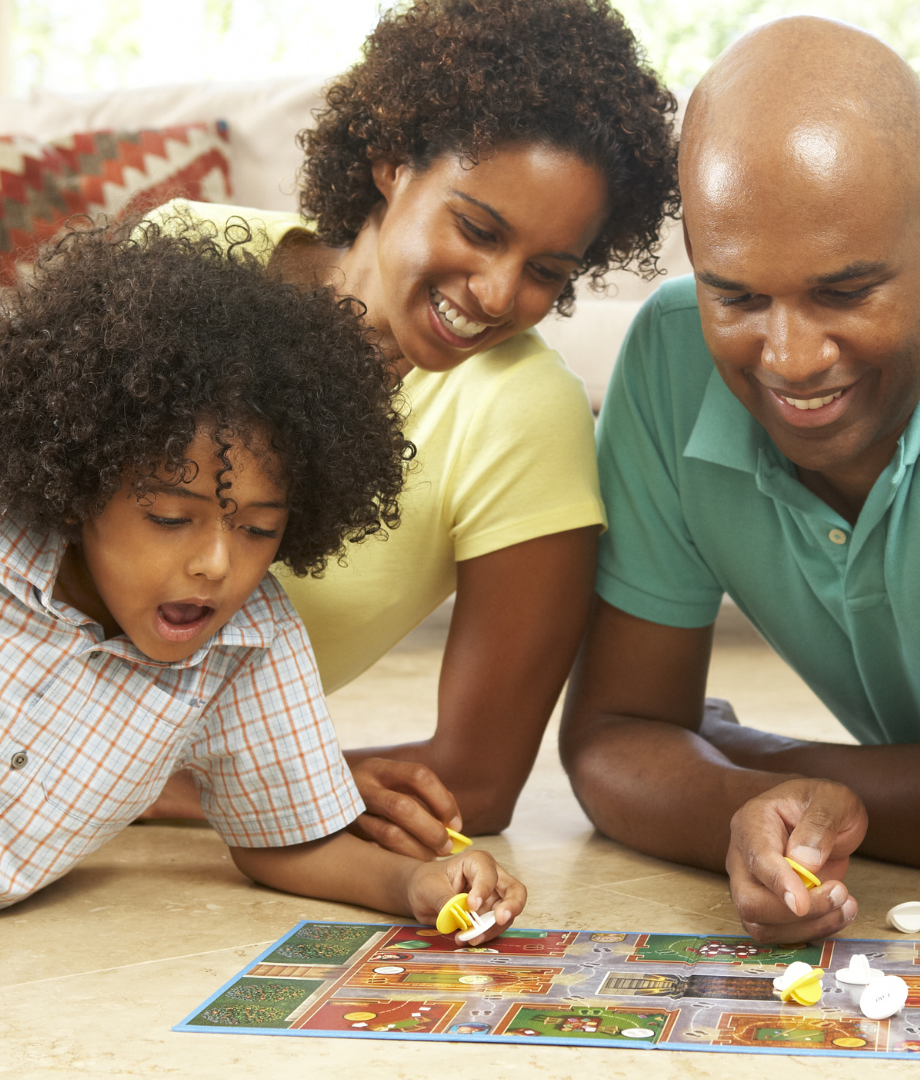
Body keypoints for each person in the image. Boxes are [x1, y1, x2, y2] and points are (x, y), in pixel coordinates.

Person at [560, 16, 920, 945]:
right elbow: (609, 741)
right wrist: (744, 809)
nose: (789, 358)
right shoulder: (668, 358)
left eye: (844, 290)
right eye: (736, 294)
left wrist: (744, 753)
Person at [142, 0, 680, 854]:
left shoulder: (523, 413)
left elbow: (477, 779)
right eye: (477, 228)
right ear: (392, 163)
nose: (500, 295)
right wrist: (289, 782)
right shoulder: (186, 257)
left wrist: (280, 782)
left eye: (547, 271)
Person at [0, 220, 526, 930]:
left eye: (260, 529)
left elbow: (286, 840)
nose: (216, 565)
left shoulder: (251, 647)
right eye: (172, 519)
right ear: (80, 485)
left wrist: (417, 883)